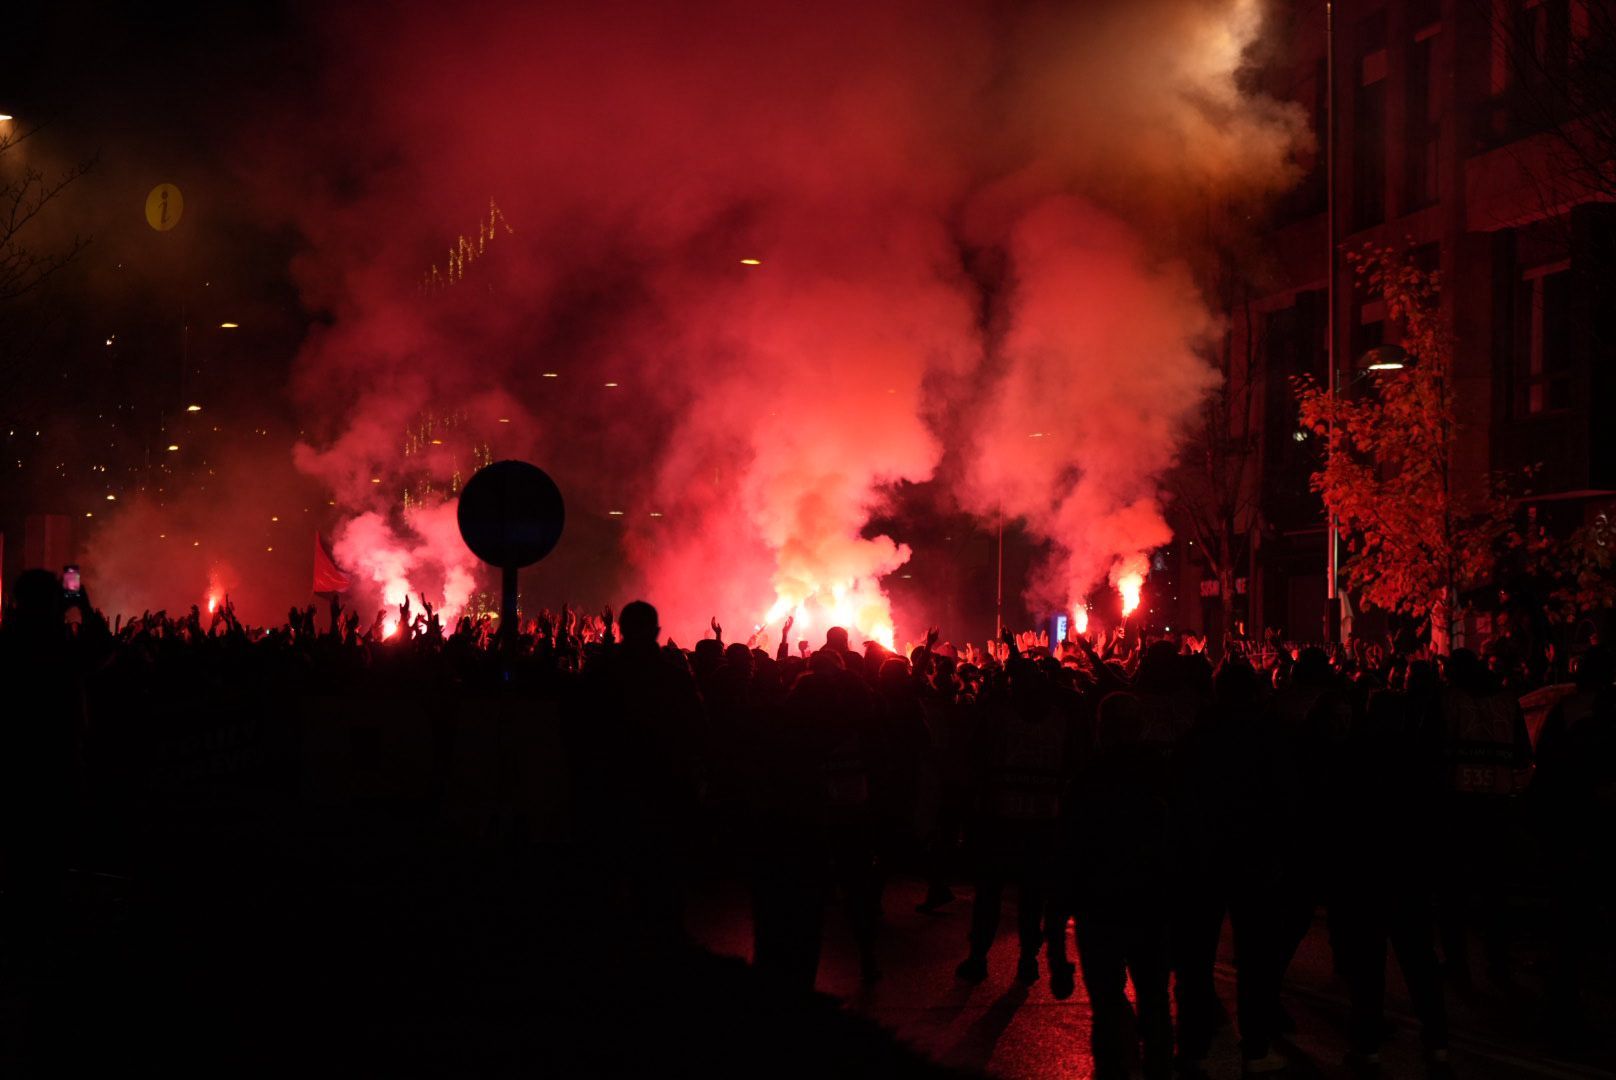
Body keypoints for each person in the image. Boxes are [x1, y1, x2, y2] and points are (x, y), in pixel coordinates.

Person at [1063, 691, 1173, 1080]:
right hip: (1150, 901)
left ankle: (1116, 1067)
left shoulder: (1086, 779)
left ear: (1101, 729)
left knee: (1108, 1000)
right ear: (1140, 728)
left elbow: (1069, 850)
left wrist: (1056, 939)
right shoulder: (1163, 775)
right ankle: (1158, 1067)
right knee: (1154, 997)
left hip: (1101, 903)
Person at [956, 634, 1072, 986]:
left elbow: (975, 757)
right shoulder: (1059, 720)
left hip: (1001, 819)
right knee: (1031, 896)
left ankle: (979, 957)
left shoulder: (1001, 718)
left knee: (990, 892)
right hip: (1042, 820)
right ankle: (1027, 960)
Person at [1528, 645, 1616, 1043]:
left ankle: (1563, 1006)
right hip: (1594, 825)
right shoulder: (1591, 713)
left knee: (1568, 918)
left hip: (1574, 825)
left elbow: (1547, 768)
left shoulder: (1567, 711)